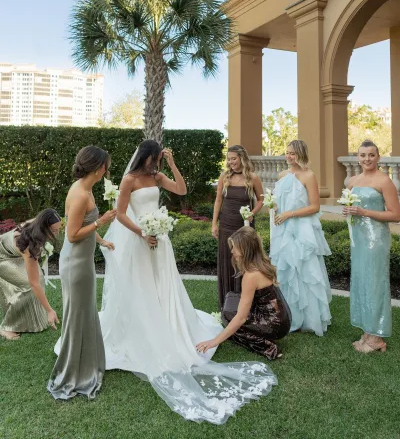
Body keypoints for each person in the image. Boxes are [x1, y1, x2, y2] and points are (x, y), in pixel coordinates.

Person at [99, 140, 277, 425]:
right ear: (148, 156)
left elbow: (181, 189)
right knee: (143, 286)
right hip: (140, 239)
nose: (159, 161)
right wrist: (142, 233)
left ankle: (167, 321)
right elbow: (120, 214)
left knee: (164, 285)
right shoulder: (130, 179)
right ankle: (146, 325)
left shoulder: (157, 176)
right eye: (158, 157)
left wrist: (171, 164)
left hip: (160, 241)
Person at [48, 146, 116, 400]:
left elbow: (83, 225)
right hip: (75, 264)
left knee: (85, 311)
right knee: (77, 315)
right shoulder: (80, 195)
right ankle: (72, 373)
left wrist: (101, 240)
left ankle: (85, 364)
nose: (107, 171)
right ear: (99, 169)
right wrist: (102, 221)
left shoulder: (84, 188)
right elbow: (72, 234)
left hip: (82, 260)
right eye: (107, 166)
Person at [196, 226, 291, 360]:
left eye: (235, 247)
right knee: (231, 300)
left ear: (246, 249)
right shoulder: (262, 264)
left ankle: (268, 347)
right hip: (283, 318)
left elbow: (241, 318)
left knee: (230, 315)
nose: (232, 251)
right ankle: (235, 331)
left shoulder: (251, 275)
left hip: (274, 325)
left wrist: (214, 341)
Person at [342, 140, 400, 353]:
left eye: (371, 155)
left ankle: (377, 340)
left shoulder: (384, 181)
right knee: (362, 282)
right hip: (358, 240)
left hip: (376, 240)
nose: (367, 159)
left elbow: (396, 214)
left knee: (375, 283)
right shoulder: (353, 181)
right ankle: (368, 331)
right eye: (363, 155)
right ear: (357, 157)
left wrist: (364, 212)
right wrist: (348, 211)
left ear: (378, 157)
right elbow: (351, 207)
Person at [270, 139, 332, 336]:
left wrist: (289, 214)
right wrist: (275, 208)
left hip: (301, 228)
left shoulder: (309, 176)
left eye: (293, 153)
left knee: (304, 270)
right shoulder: (282, 175)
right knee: (286, 270)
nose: (288, 156)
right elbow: (280, 201)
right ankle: (289, 316)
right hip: (282, 228)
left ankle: (308, 318)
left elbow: (315, 206)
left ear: (301, 154)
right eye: (287, 153)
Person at [212, 145, 264, 309]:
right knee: (228, 261)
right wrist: (214, 223)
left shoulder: (253, 178)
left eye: (233, 158)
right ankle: (227, 305)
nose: (231, 162)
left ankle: (247, 304)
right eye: (229, 159)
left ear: (242, 158)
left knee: (245, 261)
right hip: (226, 225)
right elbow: (218, 201)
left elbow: (261, 199)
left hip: (244, 227)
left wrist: (252, 213)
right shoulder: (224, 177)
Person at [0, 209, 61, 340]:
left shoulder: (37, 223)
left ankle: (37, 316)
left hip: (14, 253)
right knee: (29, 285)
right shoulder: (30, 246)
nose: (57, 233)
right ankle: (6, 327)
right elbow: (34, 284)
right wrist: (50, 310)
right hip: (2, 258)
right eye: (54, 231)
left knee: (40, 279)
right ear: (44, 228)